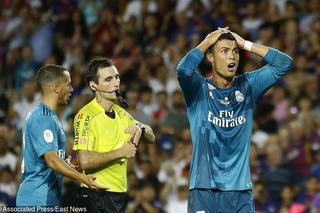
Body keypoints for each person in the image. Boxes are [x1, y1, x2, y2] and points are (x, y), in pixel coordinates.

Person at [176, 27, 293, 212]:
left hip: (240, 191)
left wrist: (246, 44)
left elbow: (284, 63)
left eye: (235, 51)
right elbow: (183, 70)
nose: (232, 56)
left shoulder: (248, 86)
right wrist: (207, 41)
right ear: (210, 57)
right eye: (224, 51)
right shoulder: (199, 89)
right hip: (204, 188)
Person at [73, 57, 155, 213]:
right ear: (93, 85)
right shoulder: (86, 116)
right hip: (97, 196)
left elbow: (152, 137)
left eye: (117, 77)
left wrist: (140, 128)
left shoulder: (120, 113)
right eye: (108, 79)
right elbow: (84, 161)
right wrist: (120, 152)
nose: (116, 83)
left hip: (118, 195)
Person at [16, 64, 105, 207]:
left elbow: (51, 160)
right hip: (38, 199)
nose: (71, 89)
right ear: (56, 88)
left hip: (46, 198)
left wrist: (67, 164)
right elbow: (51, 160)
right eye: (68, 84)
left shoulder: (50, 117)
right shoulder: (42, 117)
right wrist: (83, 178)